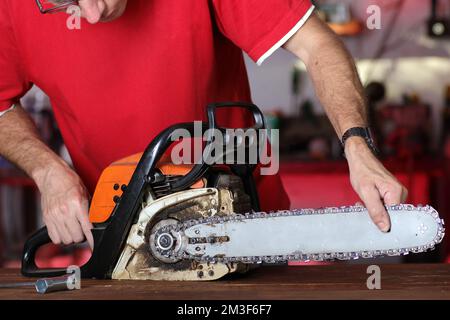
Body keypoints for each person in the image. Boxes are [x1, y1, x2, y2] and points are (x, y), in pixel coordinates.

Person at [0, 0, 407, 249]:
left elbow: (317, 44)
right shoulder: (13, 8)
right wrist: (47, 169)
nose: (91, 13)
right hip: (120, 238)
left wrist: (357, 144)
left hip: (243, 221)